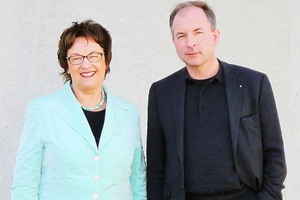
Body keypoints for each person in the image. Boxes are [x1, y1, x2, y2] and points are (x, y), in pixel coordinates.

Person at [146, 1, 286, 200]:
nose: (190, 42)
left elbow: (274, 153)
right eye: (181, 36)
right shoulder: (161, 92)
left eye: (198, 32)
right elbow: (156, 166)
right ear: (174, 41)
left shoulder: (254, 84)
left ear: (215, 36)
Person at [11, 19, 146, 200]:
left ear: (106, 61)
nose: (85, 64)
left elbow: (138, 182)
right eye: (76, 57)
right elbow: (25, 185)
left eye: (94, 55)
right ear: (66, 65)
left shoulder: (128, 113)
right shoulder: (42, 110)